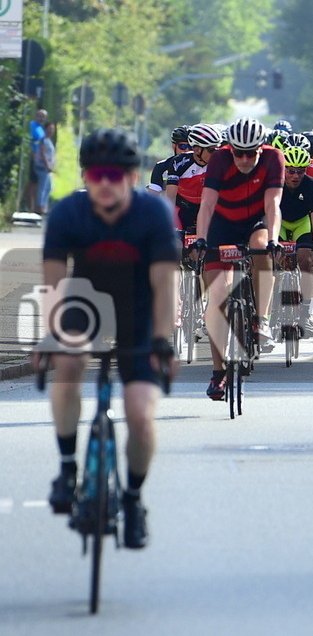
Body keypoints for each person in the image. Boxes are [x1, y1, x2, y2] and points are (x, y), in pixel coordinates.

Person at [38, 128, 179, 549]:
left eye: (116, 175)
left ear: (132, 178)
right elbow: (53, 284)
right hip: (86, 305)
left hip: (140, 312)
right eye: (97, 174)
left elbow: (164, 286)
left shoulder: (152, 215)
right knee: (68, 360)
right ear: (85, 176)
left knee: (139, 413)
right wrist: (52, 336)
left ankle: (133, 501)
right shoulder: (67, 214)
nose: (105, 183)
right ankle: (67, 467)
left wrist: (161, 341)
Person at [193, 117, 284, 399]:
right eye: (238, 153)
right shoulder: (220, 159)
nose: (244, 159)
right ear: (230, 148)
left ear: (261, 148)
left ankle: (262, 318)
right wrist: (201, 239)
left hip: (256, 219)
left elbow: (273, 204)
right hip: (223, 222)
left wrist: (273, 240)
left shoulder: (273, 159)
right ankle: (218, 373)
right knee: (217, 297)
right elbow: (207, 204)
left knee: (260, 246)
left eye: (250, 153)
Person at [279, 146, 313, 335]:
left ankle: (306, 311)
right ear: (283, 169)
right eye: (290, 171)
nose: (295, 176)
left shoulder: (312, 186)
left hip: (302, 223)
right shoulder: (273, 184)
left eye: (300, 171)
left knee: (307, 258)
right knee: (274, 257)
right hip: (280, 222)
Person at [148, 125, 192, 193]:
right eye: (183, 146)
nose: (187, 150)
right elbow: (153, 194)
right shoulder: (161, 167)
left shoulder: (202, 166)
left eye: (191, 147)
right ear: (174, 146)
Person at [27, 109, 47, 212]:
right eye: (40, 116)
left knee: (36, 184)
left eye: (43, 117)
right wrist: (31, 152)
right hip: (32, 157)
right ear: (36, 116)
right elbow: (28, 139)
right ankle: (29, 206)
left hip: (38, 159)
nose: (41, 118)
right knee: (31, 183)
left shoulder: (42, 129)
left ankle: (34, 207)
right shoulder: (31, 125)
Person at [35, 122, 56, 214]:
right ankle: (40, 207)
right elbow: (43, 153)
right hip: (42, 167)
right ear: (45, 129)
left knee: (48, 187)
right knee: (43, 187)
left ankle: (43, 206)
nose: (51, 131)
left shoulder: (48, 140)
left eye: (52, 129)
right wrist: (47, 165)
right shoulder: (43, 140)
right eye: (49, 129)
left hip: (47, 167)